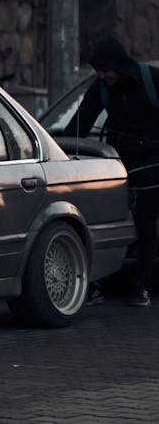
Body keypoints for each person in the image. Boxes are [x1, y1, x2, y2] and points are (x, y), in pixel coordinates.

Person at [66, 36, 159, 306]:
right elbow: (79, 125)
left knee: (145, 220)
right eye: (98, 71)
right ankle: (96, 284)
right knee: (104, 222)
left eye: (106, 70)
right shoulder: (101, 89)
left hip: (153, 163)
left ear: (119, 65)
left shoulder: (151, 80)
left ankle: (142, 285)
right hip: (119, 164)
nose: (102, 76)